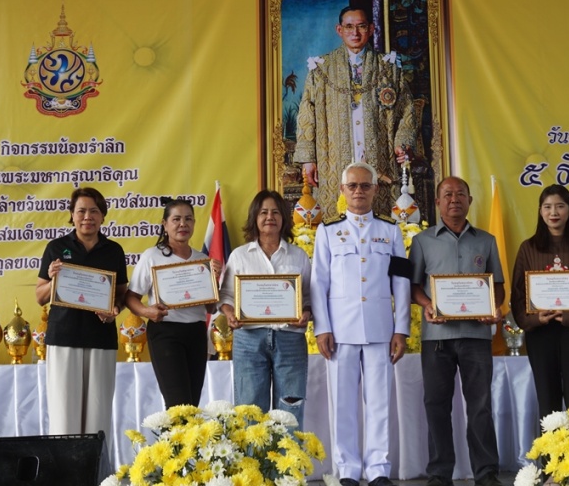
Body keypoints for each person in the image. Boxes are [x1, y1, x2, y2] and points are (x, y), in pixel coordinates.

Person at [311, 162, 411, 486]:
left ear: (375, 190)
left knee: (380, 402)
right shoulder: (327, 231)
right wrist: (322, 328)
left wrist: (401, 328)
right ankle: (348, 470)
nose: (358, 191)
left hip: (381, 329)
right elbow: (318, 283)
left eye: (365, 185)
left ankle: (378, 468)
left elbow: (401, 283)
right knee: (343, 405)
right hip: (340, 331)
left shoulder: (390, 231)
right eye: (352, 186)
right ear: (342, 190)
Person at [408, 176, 505, 486]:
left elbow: (497, 286)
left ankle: (486, 472)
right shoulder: (422, 241)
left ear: (469, 201)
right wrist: (428, 304)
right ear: (437, 202)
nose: (454, 199)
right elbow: (413, 287)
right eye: (447, 194)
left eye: (460, 194)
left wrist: (494, 307)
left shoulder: (486, 241)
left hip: (476, 337)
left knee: (480, 406)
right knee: (436, 406)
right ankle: (439, 473)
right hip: (437, 338)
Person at [294, 6, 417, 218]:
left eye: (361, 26)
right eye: (349, 27)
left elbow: (406, 109)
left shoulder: (389, 68)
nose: (355, 32)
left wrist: (402, 144)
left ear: (371, 29)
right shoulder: (321, 69)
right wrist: (308, 159)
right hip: (333, 158)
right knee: (336, 218)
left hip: (378, 155)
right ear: (339, 30)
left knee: (380, 217)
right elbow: (307, 115)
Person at [36, 187, 128, 446]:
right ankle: (66, 467)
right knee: (64, 413)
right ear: (72, 215)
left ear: (103, 216)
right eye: (81, 211)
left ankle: (95, 467)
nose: (88, 217)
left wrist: (114, 311)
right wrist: (53, 280)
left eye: (94, 211)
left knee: (98, 414)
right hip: (63, 338)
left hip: (101, 339)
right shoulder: (56, 248)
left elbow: (121, 295)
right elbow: (40, 296)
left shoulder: (114, 250)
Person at [218, 190, 312, 426]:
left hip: (290, 339)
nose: (270, 217)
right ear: (255, 218)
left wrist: (306, 313)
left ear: (284, 218)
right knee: (249, 410)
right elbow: (226, 296)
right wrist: (230, 313)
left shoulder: (299, 256)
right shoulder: (239, 256)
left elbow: (309, 296)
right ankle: (253, 453)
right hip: (249, 340)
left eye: (275, 212)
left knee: (290, 410)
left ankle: (288, 452)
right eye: (264, 212)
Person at [510, 184, 569, 419]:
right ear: (540, 212)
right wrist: (534, 319)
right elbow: (518, 294)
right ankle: (549, 445)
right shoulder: (528, 248)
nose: (553, 212)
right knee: (547, 403)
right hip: (540, 334)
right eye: (547, 207)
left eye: (560, 206)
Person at [124, 198, 221, 409]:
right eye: (176, 219)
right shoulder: (152, 256)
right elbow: (130, 298)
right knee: (178, 404)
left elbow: (211, 308)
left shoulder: (202, 259)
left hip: (196, 332)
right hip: (165, 333)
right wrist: (147, 311)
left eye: (188, 219)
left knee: (192, 403)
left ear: (194, 223)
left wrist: (214, 281)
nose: (182, 224)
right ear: (165, 224)